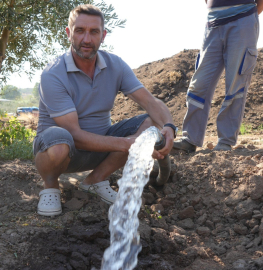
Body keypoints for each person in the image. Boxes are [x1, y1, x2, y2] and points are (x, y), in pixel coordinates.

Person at [33, 4, 177, 216]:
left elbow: (150, 103)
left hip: (101, 148)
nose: (87, 39)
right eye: (80, 30)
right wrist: (129, 144)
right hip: (59, 152)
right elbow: (75, 135)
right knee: (60, 140)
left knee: (151, 124)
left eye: (94, 32)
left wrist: (169, 127)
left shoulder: (115, 65)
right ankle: (51, 186)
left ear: (103, 35)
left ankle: (95, 180)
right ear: (68, 33)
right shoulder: (53, 74)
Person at [173, 0, 263, 153]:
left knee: (235, 83)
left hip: (243, 18)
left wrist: (247, 13)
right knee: (199, 83)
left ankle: (225, 141)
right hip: (213, 22)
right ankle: (189, 139)